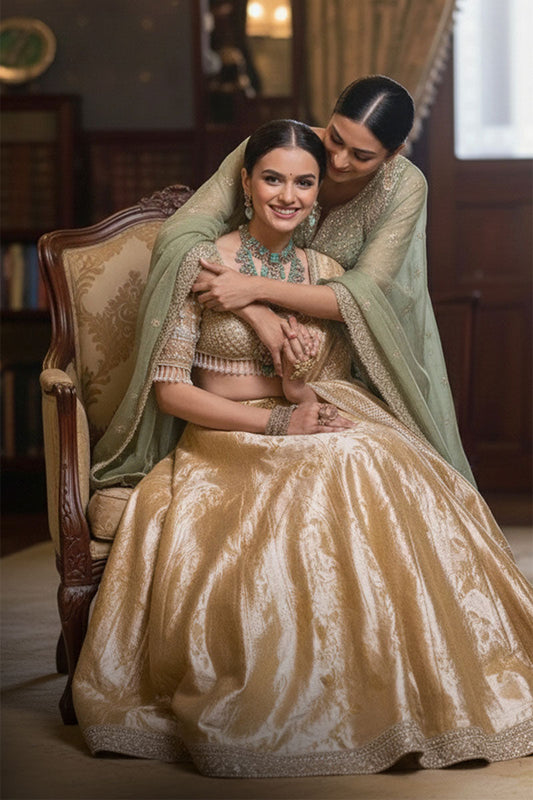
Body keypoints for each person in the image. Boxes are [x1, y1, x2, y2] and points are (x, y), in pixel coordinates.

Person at [72, 119, 533, 778]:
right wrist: (273, 424)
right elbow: (173, 393)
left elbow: (318, 379)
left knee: (381, 456)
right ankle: (300, 704)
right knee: (336, 463)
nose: (287, 195)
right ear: (245, 181)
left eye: (304, 182)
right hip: (228, 434)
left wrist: (296, 383)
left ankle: (399, 698)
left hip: (302, 415)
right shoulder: (201, 260)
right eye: (273, 178)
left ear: (320, 192)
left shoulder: (323, 272)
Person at [144, 74, 475, 486]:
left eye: (362, 156)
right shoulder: (283, 149)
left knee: (385, 465)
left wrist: (254, 290)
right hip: (233, 406)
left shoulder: (399, 192)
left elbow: (360, 298)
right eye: (335, 138)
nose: (337, 162)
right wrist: (256, 312)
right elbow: (181, 239)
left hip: (337, 360)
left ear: (393, 155)